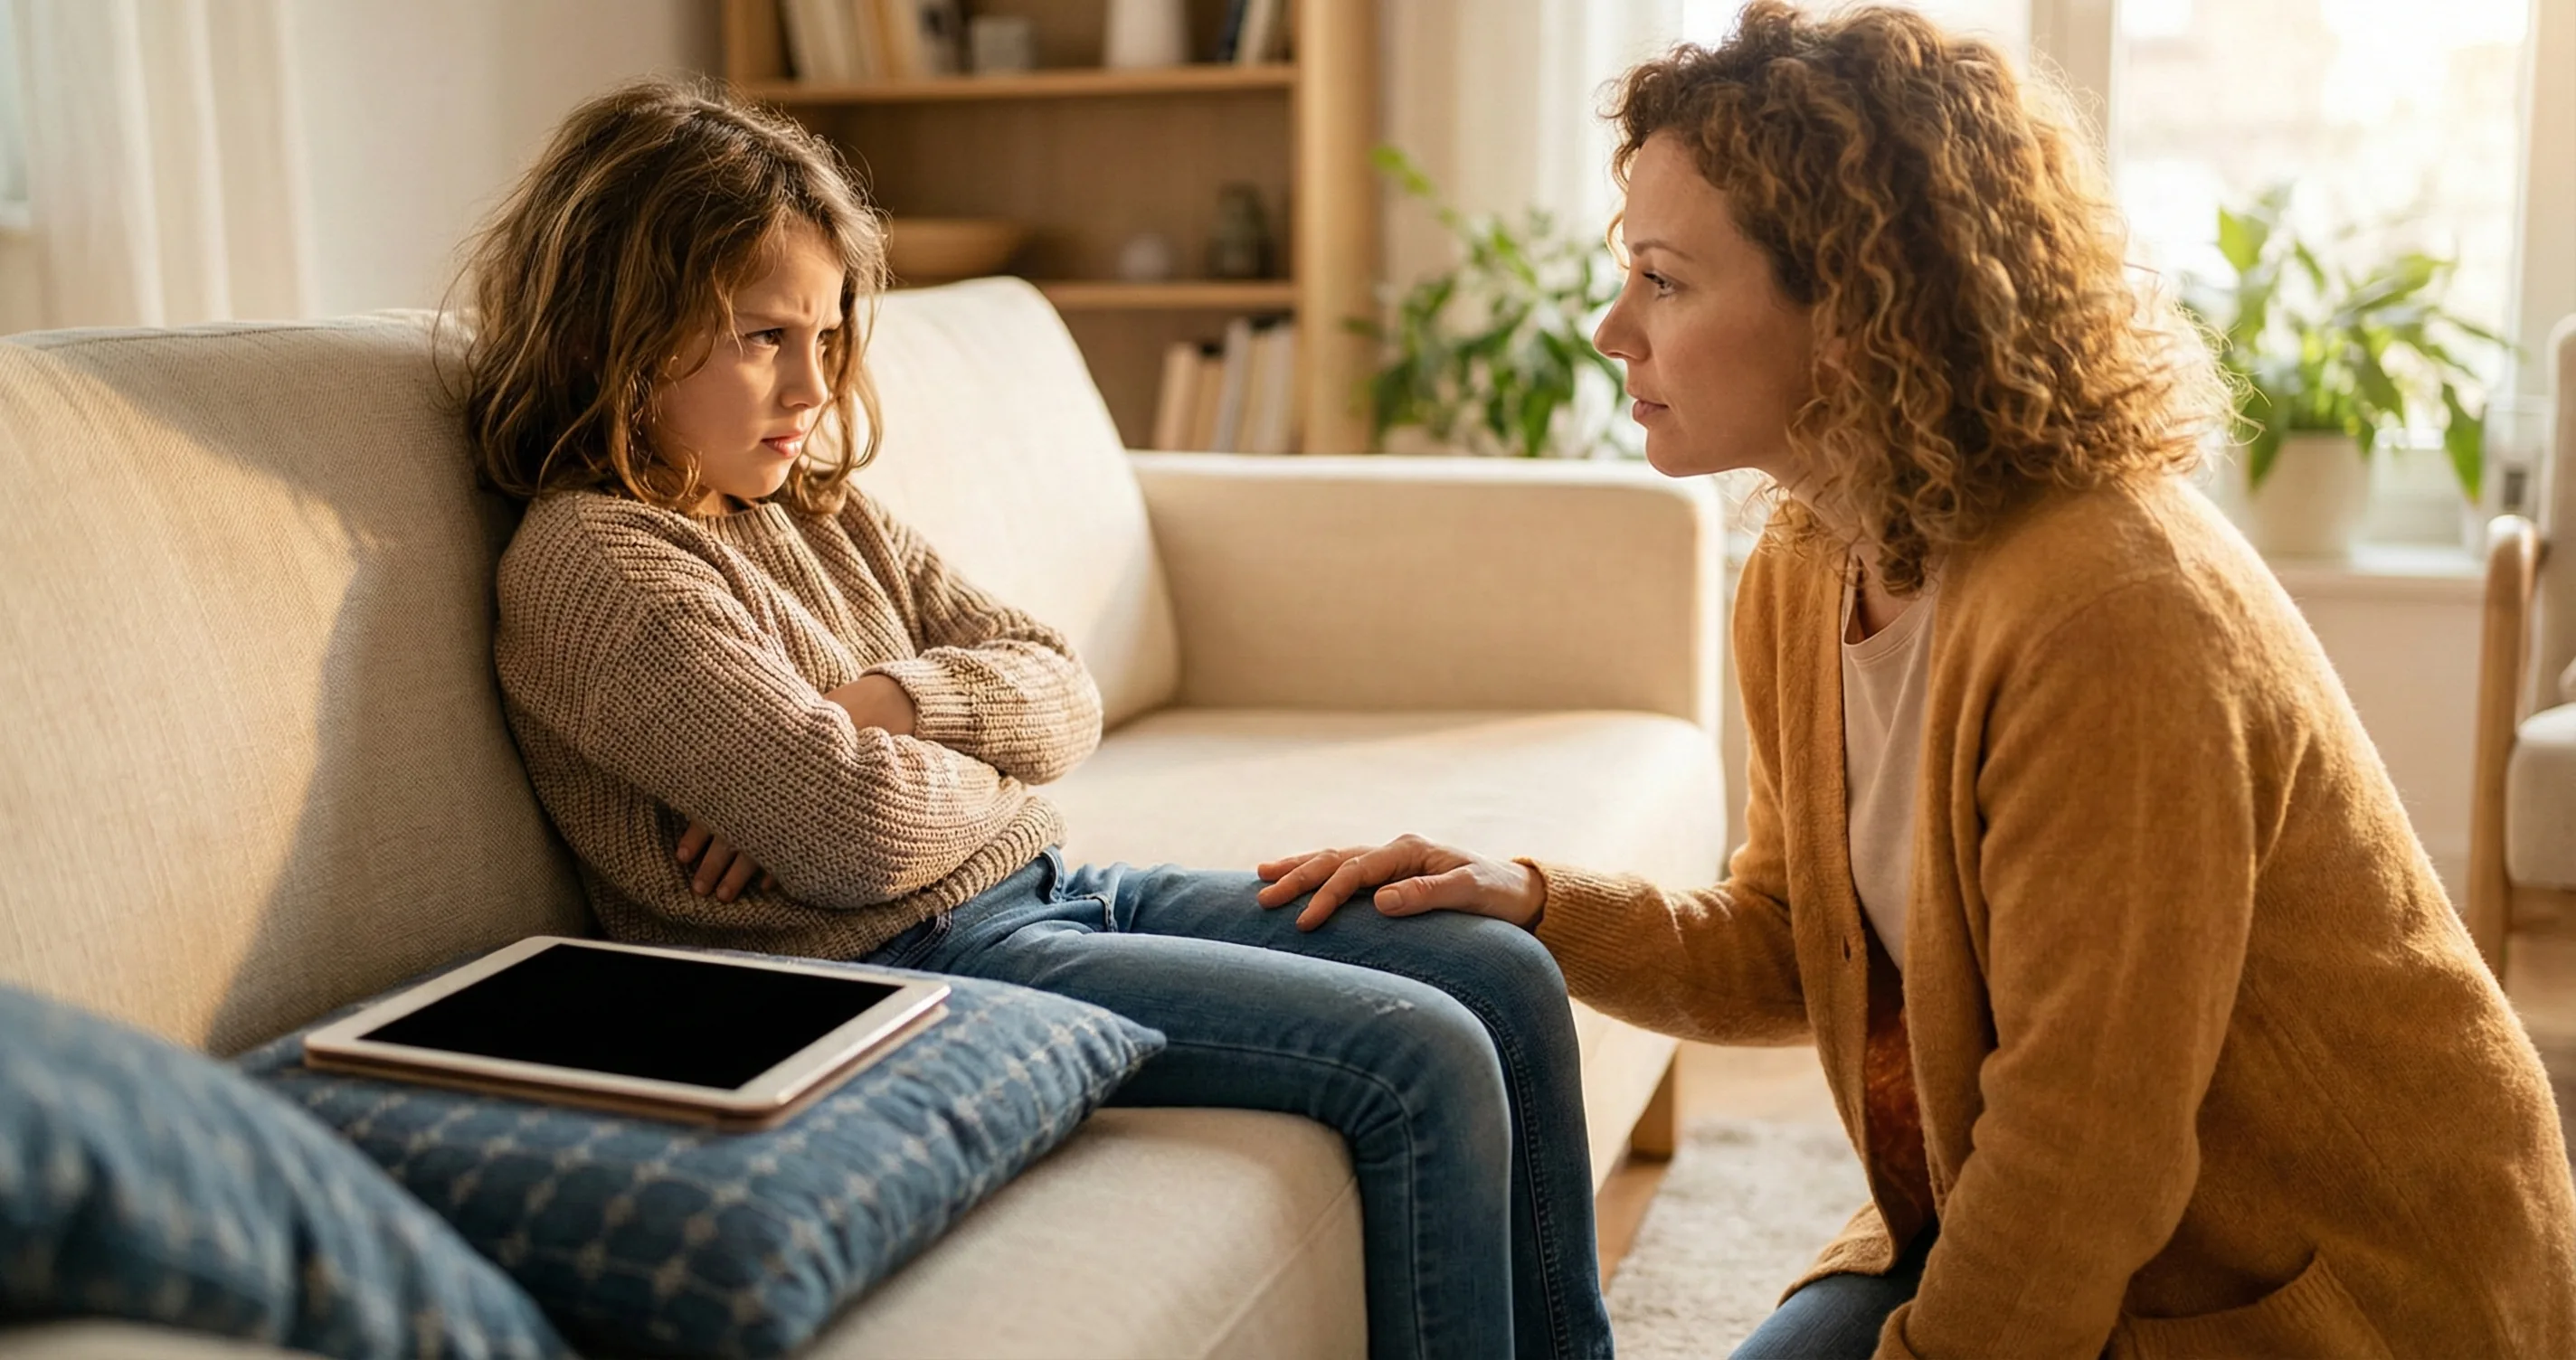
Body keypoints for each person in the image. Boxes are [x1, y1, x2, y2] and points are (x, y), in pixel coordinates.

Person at [1255, 5, 2576, 1357]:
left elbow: (2087, 1159)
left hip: (2328, 1294)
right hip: (2024, 1222)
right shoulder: (1809, 554)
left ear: (1851, 309)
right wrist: (1533, 903)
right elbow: (1793, 941)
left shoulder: (2111, 617)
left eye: (1663, 280)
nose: (1610, 329)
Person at [455, 78, 1613, 1360]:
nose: (810, 386)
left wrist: (887, 705)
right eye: (757, 337)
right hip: (904, 967)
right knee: (1423, 1059)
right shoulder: (595, 567)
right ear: (617, 328)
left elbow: (1062, 682)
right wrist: (933, 778)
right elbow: (853, 836)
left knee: (1498, 967)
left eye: (827, 335)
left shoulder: (814, 507)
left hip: (1049, 890)